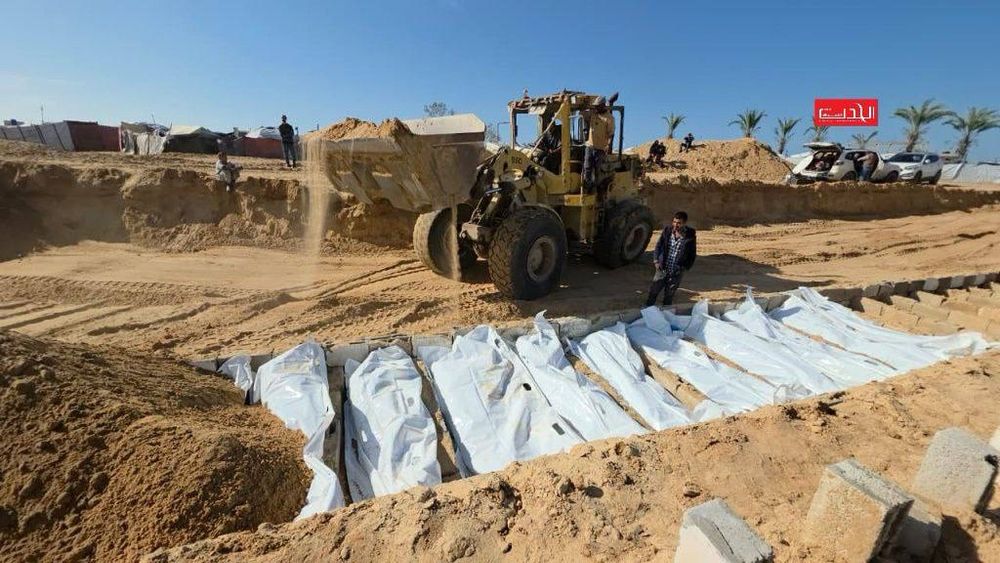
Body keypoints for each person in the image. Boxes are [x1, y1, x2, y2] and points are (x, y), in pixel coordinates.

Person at [646, 211, 697, 307]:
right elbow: (659, 245)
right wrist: (656, 260)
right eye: (674, 222)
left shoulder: (690, 235)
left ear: (684, 223)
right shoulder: (667, 231)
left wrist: (684, 267)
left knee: (669, 295)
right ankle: (648, 311)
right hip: (662, 268)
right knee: (653, 291)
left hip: (676, 271)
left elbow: (692, 254)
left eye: (679, 223)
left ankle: (666, 313)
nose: (676, 225)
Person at [583, 97, 615, 190]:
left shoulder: (609, 118)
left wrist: (608, 145)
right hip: (590, 146)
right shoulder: (593, 114)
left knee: (598, 170)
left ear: (603, 105)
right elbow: (583, 114)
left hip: (600, 148)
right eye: (595, 106)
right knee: (587, 167)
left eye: (598, 106)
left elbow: (611, 134)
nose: (596, 108)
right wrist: (585, 105)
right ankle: (587, 187)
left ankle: (597, 189)